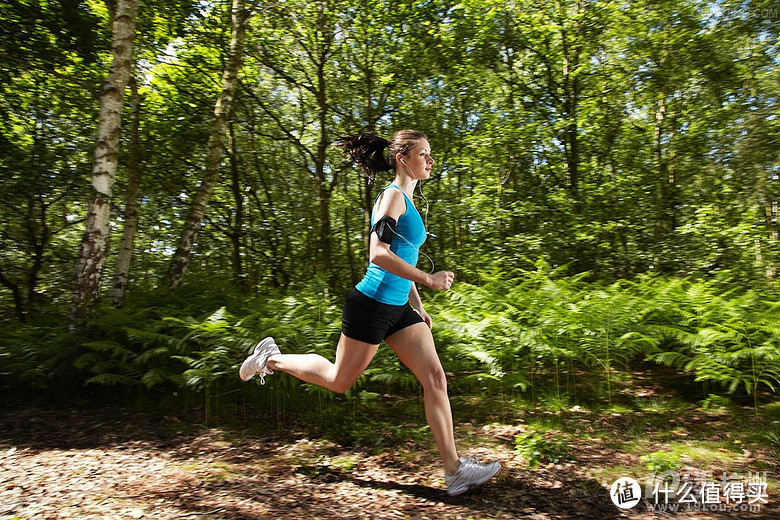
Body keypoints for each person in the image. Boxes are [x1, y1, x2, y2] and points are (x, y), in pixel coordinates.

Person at [239, 129, 500, 496]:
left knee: (436, 378)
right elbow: (377, 254)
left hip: (399, 308)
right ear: (402, 158)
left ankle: (454, 470)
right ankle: (271, 359)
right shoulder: (392, 197)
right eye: (424, 154)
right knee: (338, 380)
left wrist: (417, 306)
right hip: (372, 304)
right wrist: (427, 279)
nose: (430, 160)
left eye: (430, 154)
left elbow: (402, 256)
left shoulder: (408, 199)